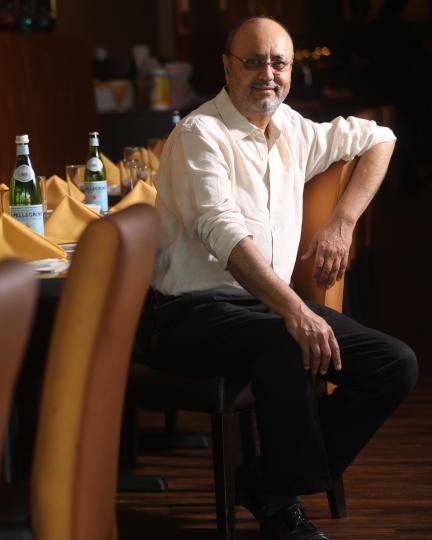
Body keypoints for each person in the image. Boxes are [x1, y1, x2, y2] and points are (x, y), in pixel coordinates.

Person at [151, 16, 417, 540]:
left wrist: (343, 221)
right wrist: (295, 309)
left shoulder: (294, 128)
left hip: (264, 309)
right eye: (253, 61)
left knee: (394, 364)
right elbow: (222, 234)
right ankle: (281, 511)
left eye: (278, 62)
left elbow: (381, 138)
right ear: (227, 67)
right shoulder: (199, 135)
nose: (266, 73)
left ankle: (269, 483)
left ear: (291, 70)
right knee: (286, 341)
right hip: (192, 313)